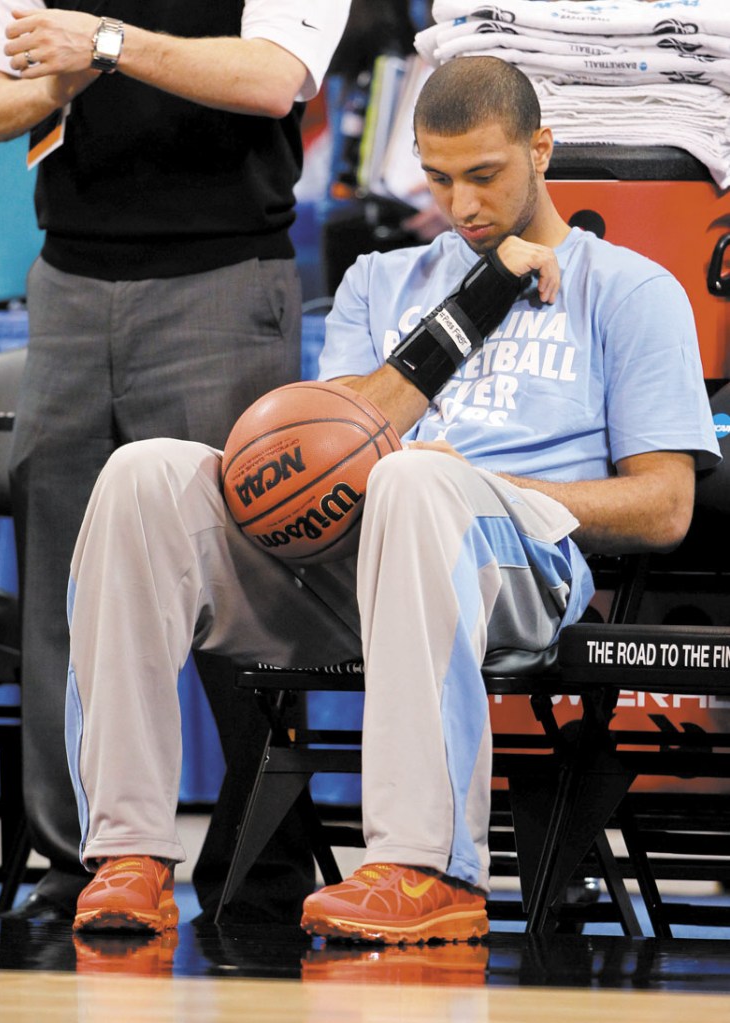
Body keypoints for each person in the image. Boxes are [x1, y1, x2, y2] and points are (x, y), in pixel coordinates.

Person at [65, 55, 719, 939]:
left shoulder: (633, 292)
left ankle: (425, 867)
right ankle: (128, 854)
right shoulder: (380, 281)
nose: (465, 205)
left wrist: (479, 485)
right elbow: (334, 449)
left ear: (542, 148)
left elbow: (666, 506)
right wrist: (480, 300)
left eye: (486, 176)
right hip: (351, 565)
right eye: (441, 179)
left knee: (416, 478)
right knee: (142, 476)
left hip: (516, 569)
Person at [0, 1, 351, 924]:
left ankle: (257, 867)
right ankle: (84, 864)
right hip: (65, 283)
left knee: (245, 583)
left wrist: (107, 46)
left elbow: (274, 79)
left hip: (221, 280)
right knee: (60, 591)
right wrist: (68, 73)